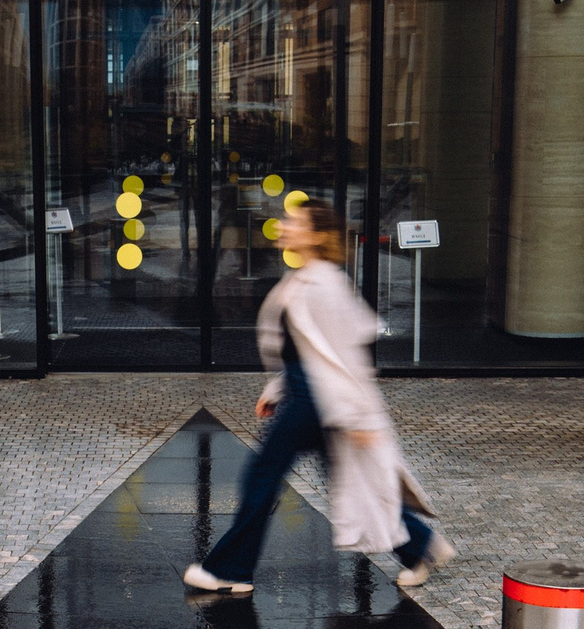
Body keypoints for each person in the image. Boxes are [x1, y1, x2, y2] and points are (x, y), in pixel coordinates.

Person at [182, 200, 454, 596]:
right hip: (308, 395)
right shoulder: (305, 277)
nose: (284, 226)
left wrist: (358, 418)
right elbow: (302, 349)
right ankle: (420, 546)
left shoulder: (325, 284)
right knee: (348, 479)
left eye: (295, 221)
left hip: (317, 400)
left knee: (261, 478)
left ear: (317, 235)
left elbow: (346, 358)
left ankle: (230, 568)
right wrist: (277, 389)